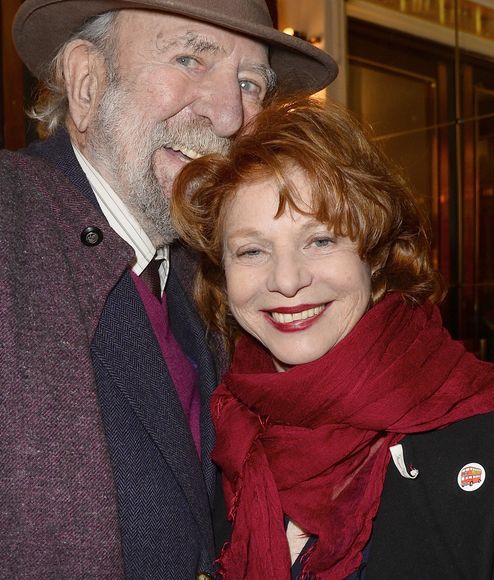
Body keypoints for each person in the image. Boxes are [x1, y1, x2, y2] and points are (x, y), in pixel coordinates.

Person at [172, 96, 494, 579]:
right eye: (253, 250)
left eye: (321, 241)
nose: (285, 280)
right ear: (223, 273)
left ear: (376, 256)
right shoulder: (219, 431)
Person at [0, 2, 337, 578]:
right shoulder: (13, 222)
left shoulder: (202, 277)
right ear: (86, 81)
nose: (230, 115)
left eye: (250, 83)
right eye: (189, 58)